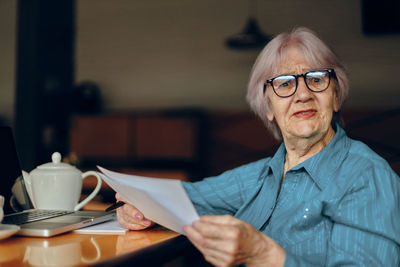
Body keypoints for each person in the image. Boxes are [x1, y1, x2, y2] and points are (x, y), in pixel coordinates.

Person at [116, 27, 400, 266]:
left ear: (336, 97)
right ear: (268, 108)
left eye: (316, 80)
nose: (303, 94)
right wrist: (137, 207)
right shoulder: (263, 174)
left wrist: (263, 254)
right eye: (285, 83)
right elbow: (186, 198)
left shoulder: (366, 175)